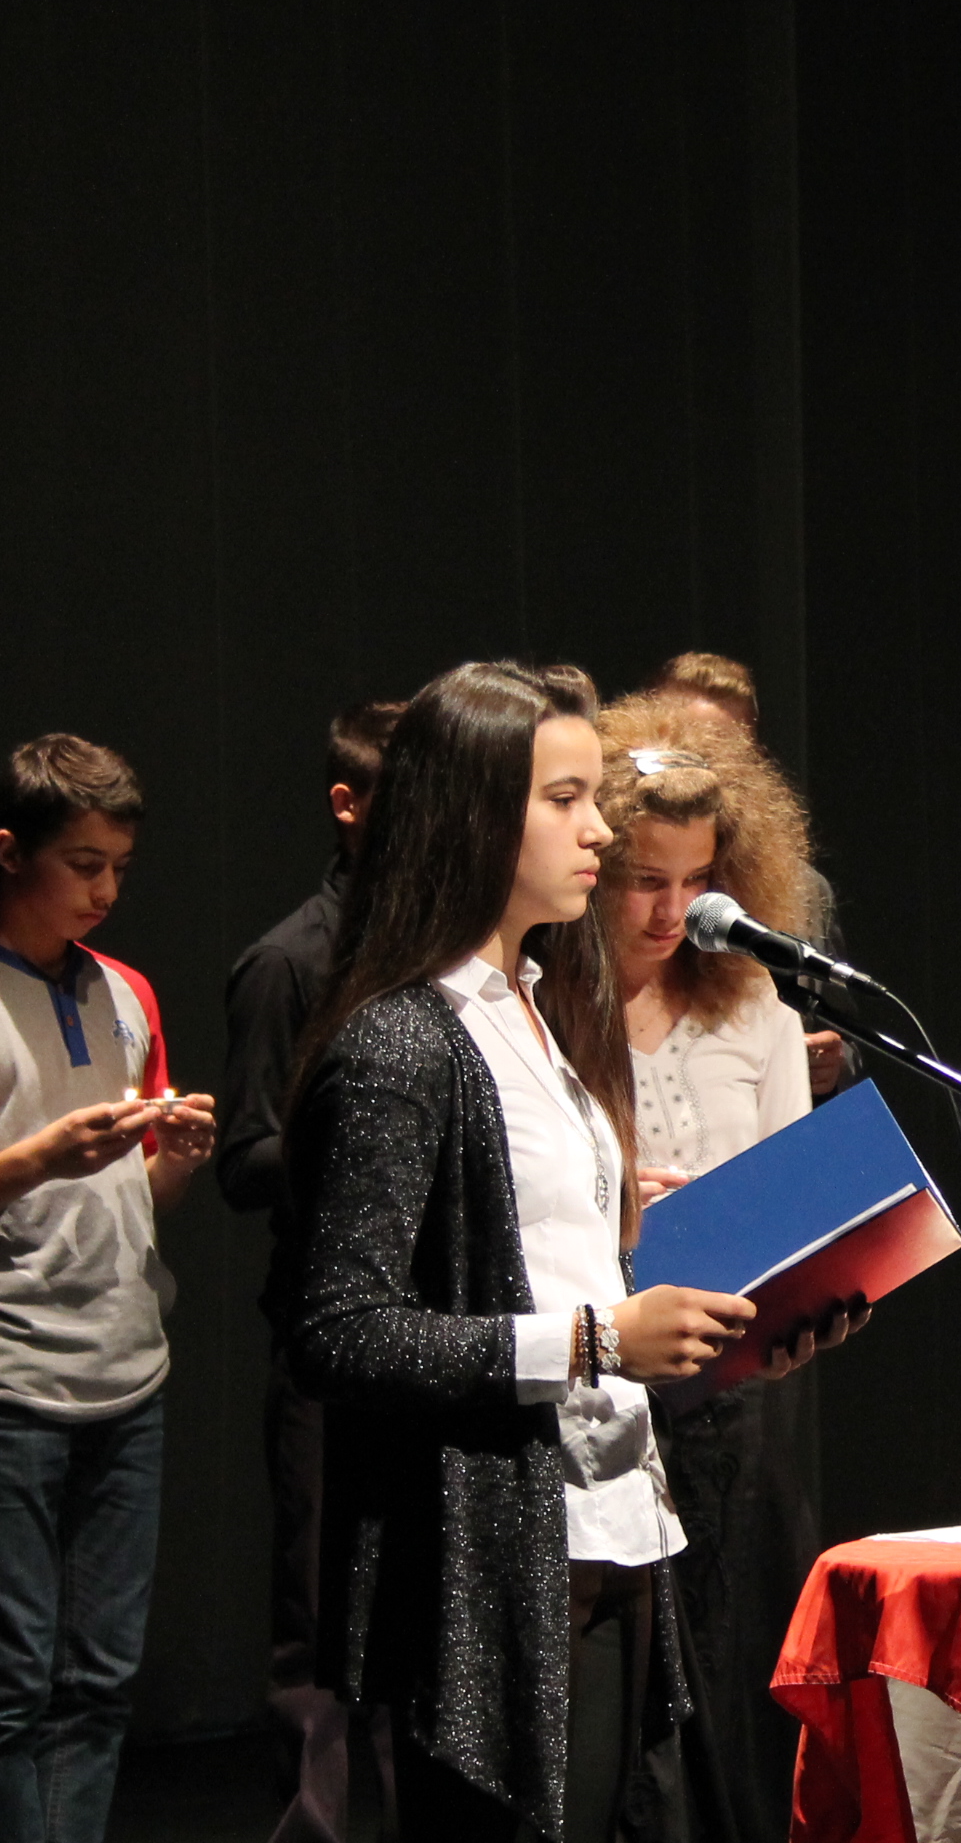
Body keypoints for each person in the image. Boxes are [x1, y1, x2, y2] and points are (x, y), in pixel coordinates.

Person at [283, 660, 806, 1842]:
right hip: (498, 1553)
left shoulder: (539, 1009)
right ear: (473, 816)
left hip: (614, 1514)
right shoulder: (403, 1040)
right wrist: (597, 1339)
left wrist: (731, 1333)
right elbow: (340, 1331)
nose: (600, 829)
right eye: (565, 800)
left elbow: (562, 1266)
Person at [0, 734, 219, 1843]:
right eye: (83, 864)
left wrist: (172, 1162)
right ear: (12, 852)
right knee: (9, 1681)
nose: (105, 891)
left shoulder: (126, 992)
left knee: (97, 1678)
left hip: (126, 1370)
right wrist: (36, 1158)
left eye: (120, 867)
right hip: (3, 1379)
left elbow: (121, 1205)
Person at [591, 692, 863, 1843]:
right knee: (616, 1694)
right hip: (593, 1374)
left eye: (696, 881)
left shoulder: (752, 998)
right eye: (642, 881)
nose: (671, 911)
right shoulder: (549, 1005)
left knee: (720, 1655)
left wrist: (815, 1297)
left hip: (721, 1384)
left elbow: (792, 1197)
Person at [218, 698, 404, 1843]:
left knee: (417, 1625)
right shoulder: (288, 962)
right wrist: (369, 1140)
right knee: (322, 1622)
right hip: (328, 1344)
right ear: (348, 804)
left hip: (437, 1339)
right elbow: (245, 1160)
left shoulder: (450, 954)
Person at [648, 649, 852, 1096]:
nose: (711, 769)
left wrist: (834, 1060)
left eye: (729, 752)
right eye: (692, 748)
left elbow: (840, 1030)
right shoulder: (607, 882)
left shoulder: (800, 888)